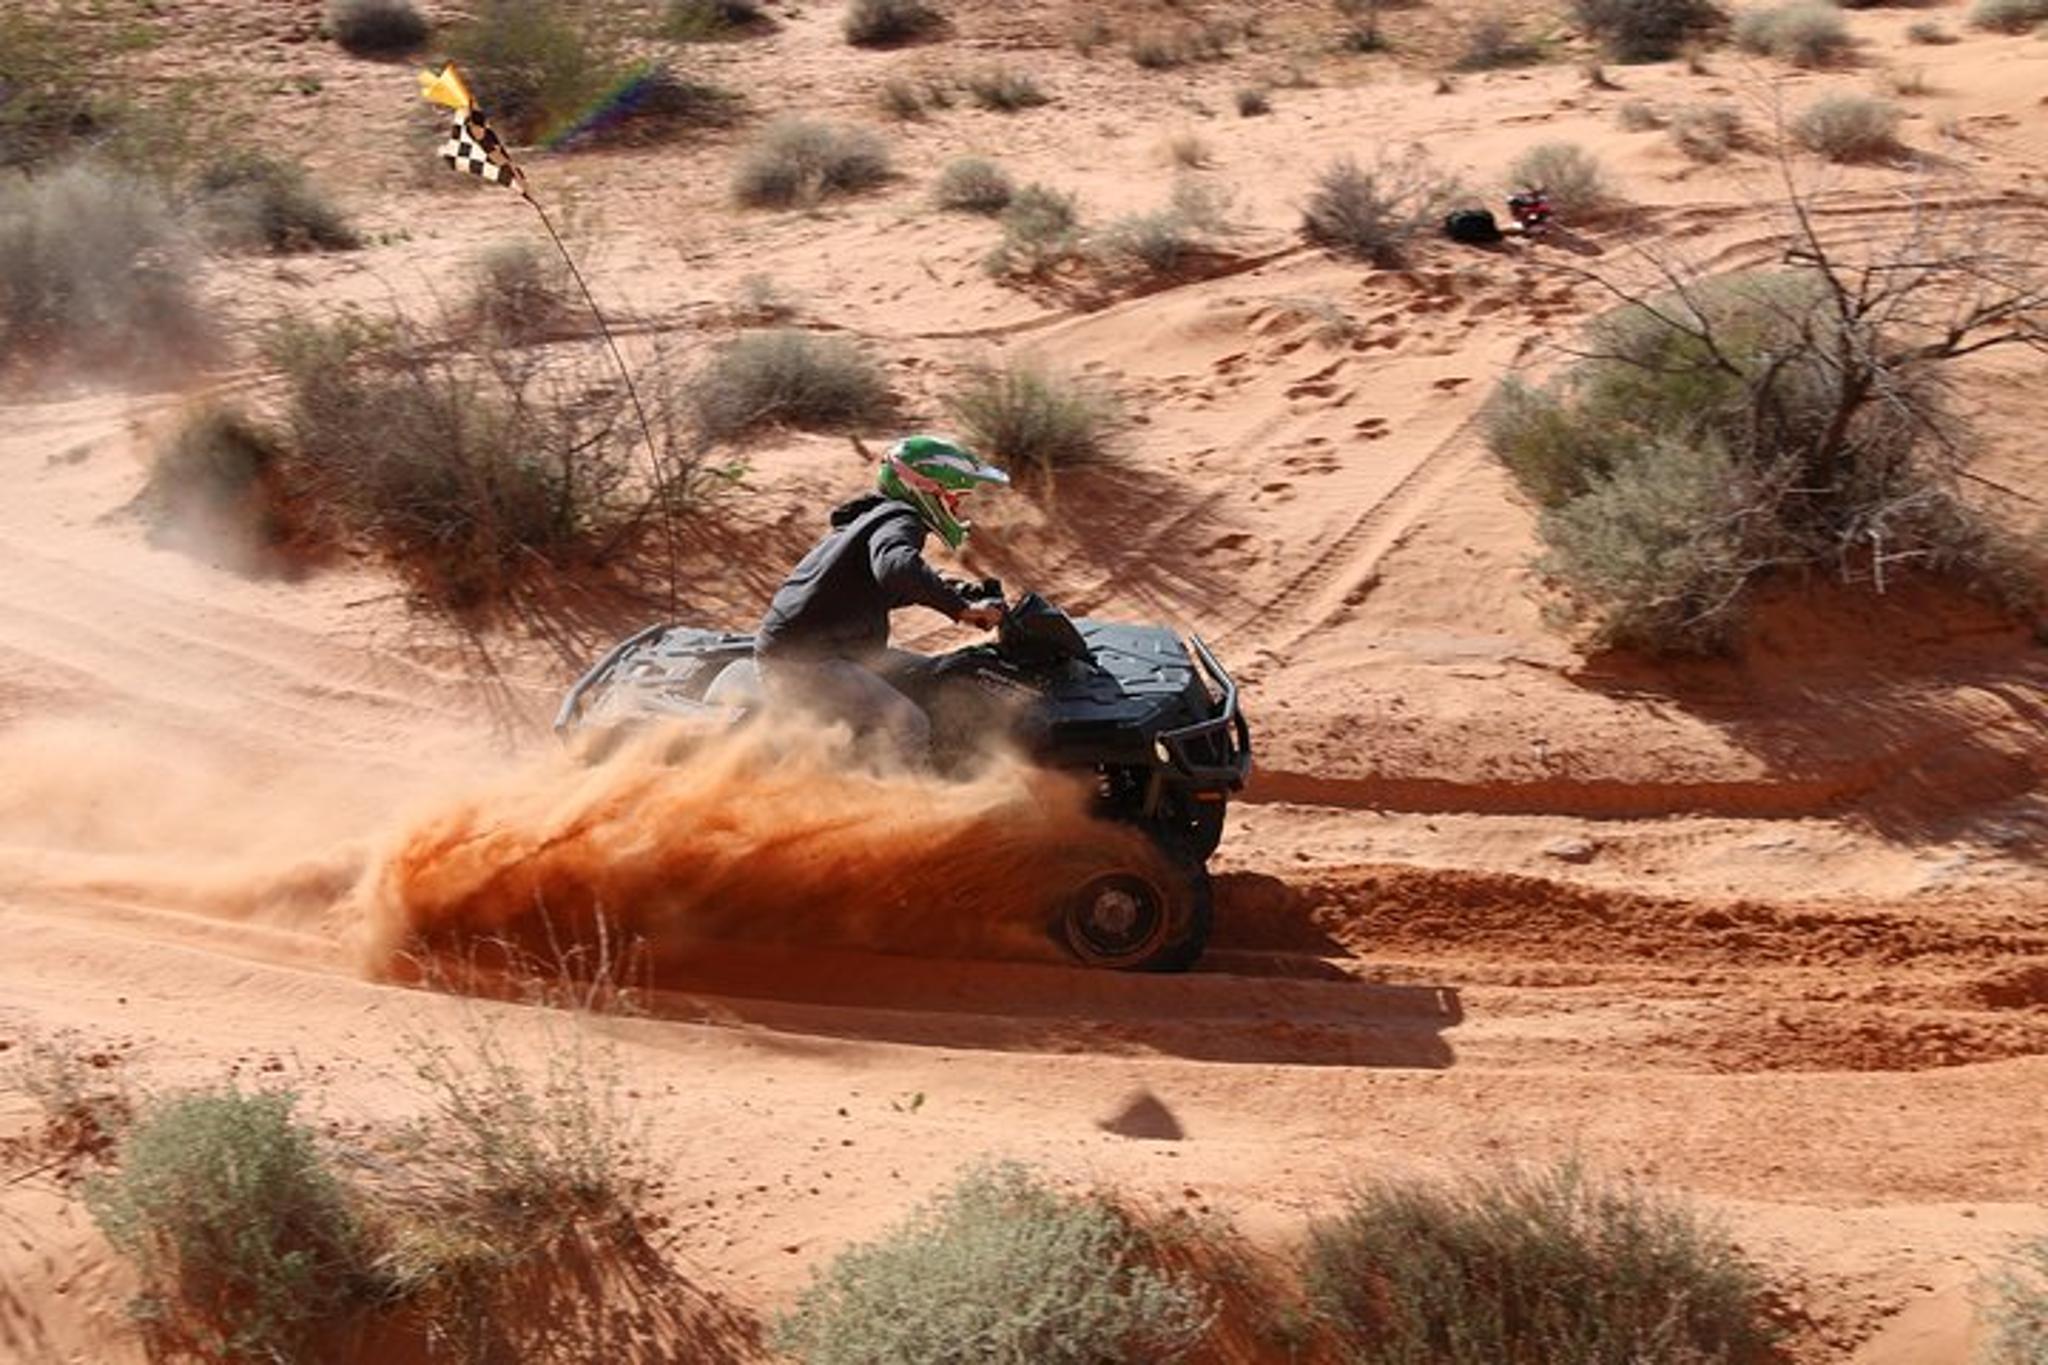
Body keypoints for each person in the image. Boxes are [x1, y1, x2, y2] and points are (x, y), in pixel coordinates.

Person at [753, 435, 1011, 757]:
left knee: (936, 675)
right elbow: (896, 569)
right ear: (928, 489)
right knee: (907, 725)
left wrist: (959, 590)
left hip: (827, 651)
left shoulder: (872, 519)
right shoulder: (901, 520)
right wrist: (960, 609)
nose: (957, 507)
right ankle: (903, 805)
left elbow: (883, 584)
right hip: (804, 662)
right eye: (955, 497)